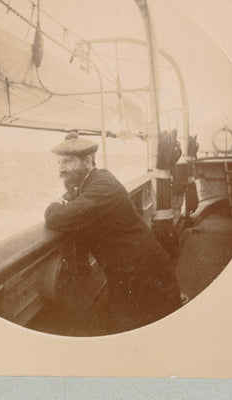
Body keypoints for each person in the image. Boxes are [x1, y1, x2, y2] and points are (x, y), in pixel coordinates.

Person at [44, 132, 182, 334]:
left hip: (142, 274)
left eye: (67, 162)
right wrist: (69, 196)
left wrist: (55, 204)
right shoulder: (97, 180)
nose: (61, 169)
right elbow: (80, 198)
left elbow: (58, 217)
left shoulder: (102, 187)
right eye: (58, 163)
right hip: (129, 269)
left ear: (88, 161)